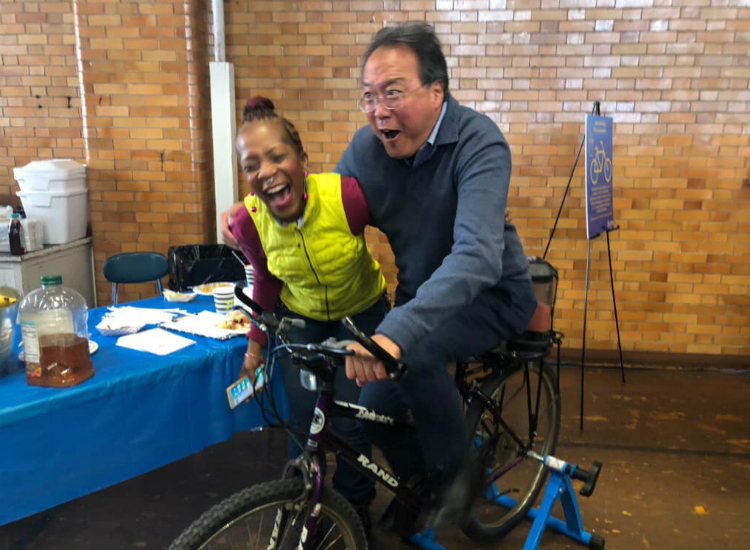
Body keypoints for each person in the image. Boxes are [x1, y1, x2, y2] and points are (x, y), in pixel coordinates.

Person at [336, 22, 538, 528]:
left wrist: (397, 329)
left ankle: (457, 478)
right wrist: (257, 217)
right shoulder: (365, 151)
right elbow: (325, 218)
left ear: (436, 91)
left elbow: (476, 257)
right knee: (374, 403)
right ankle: (424, 479)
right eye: (368, 96)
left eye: (393, 93)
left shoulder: (478, 143)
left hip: (494, 296)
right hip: (423, 298)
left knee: (417, 349)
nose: (378, 109)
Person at [231, 96, 390, 529]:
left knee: (353, 422)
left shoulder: (345, 196)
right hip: (302, 319)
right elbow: (265, 282)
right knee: (304, 422)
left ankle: (355, 512)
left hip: (362, 313)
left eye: (277, 156)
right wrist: (254, 349)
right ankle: (304, 504)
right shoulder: (248, 221)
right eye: (251, 165)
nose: (264, 171)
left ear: (302, 160)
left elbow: (406, 221)